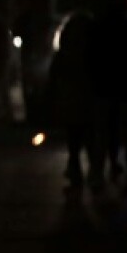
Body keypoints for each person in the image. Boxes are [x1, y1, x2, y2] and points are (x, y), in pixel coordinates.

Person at [89, 0, 127, 190]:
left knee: (101, 134)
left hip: (103, 87)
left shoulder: (98, 29)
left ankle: (97, 174)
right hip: (125, 86)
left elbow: (90, 59)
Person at [47, 12, 98, 189]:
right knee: (90, 137)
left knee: (74, 138)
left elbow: (53, 77)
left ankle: (76, 171)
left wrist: (53, 98)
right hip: (89, 100)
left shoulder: (65, 53)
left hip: (71, 99)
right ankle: (94, 172)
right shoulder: (93, 52)